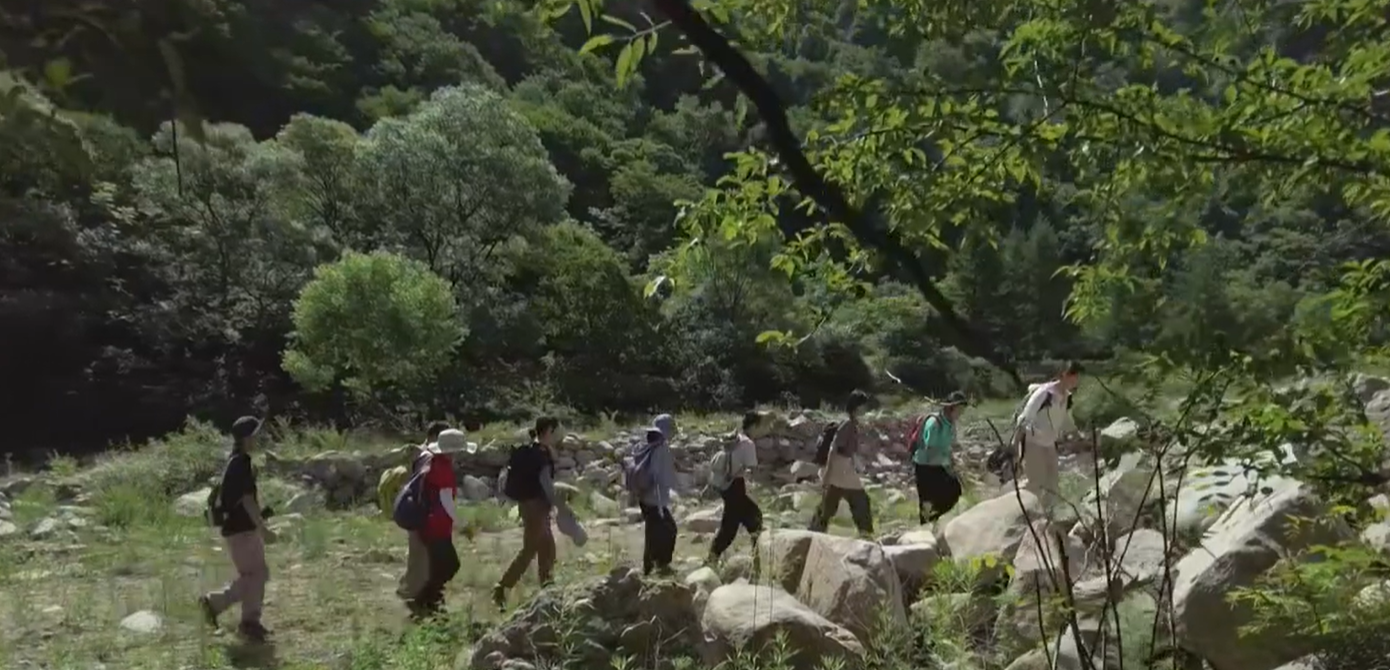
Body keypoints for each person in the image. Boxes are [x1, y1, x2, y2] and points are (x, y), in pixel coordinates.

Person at [199, 416, 275, 642]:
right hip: (242, 530)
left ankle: (248, 621)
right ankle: (216, 605)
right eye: (256, 434)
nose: (259, 438)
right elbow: (247, 500)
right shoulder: (241, 463)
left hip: (238, 528)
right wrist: (263, 530)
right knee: (255, 575)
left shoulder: (236, 461)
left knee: (256, 575)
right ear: (247, 437)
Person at [493, 417, 564, 607]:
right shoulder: (541, 454)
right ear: (549, 431)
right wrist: (558, 504)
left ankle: (547, 587)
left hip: (529, 505)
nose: (560, 434)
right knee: (530, 549)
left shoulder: (533, 450)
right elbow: (546, 482)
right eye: (557, 430)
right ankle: (502, 587)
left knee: (547, 547)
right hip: (536, 507)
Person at [1013, 361, 1084, 515]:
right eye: (1075, 376)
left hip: (1049, 443)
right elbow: (1024, 418)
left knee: (1052, 483)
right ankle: (1019, 510)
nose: (1077, 380)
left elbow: (1065, 419)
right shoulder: (1044, 393)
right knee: (1036, 482)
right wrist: (1015, 446)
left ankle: (1048, 515)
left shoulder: (1066, 396)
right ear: (1064, 375)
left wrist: (1077, 435)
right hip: (1033, 442)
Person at [411, 427, 465, 618]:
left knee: (438, 566)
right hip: (437, 526)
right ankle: (423, 600)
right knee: (450, 565)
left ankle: (431, 602)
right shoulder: (442, 469)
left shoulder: (434, 463)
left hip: (431, 523)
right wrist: (461, 523)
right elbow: (446, 500)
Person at [397, 420, 450, 604]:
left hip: (419, 511)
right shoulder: (428, 457)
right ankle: (413, 595)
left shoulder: (424, 454)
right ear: (434, 437)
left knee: (421, 555)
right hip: (421, 513)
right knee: (421, 556)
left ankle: (415, 590)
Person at [809, 390, 874, 537]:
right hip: (841, 468)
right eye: (864, 406)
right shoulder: (848, 424)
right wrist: (828, 472)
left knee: (829, 503)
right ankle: (866, 533)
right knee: (860, 500)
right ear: (857, 406)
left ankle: (814, 532)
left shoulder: (852, 424)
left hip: (841, 468)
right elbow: (834, 448)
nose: (866, 409)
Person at [707, 411, 765, 567]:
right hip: (735, 486)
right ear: (754, 426)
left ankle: (756, 557)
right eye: (760, 427)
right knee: (732, 527)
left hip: (725, 486)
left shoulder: (735, 438)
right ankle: (712, 558)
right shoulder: (748, 444)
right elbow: (751, 469)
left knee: (753, 519)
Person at [912, 392, 968, 525]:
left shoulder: (950, 424)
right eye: (959, 409)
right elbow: (930, 448)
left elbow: (948, 446)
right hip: (925, 466)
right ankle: (927, 526)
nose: (961, 413)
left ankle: (937, 520)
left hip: (939, 465)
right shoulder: (934, 423)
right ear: (951, 408)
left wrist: (952, 460)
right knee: (928, 501)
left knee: (954, 490)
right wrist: (947, 461)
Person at [635, 414, 679, 576]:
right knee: (668, 530)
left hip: (645, 496)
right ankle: (657, 566)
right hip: (655, 498)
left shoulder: (646, 444)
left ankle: (652, 567)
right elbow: (658, 473)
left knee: (654, 531)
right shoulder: (661, 447)